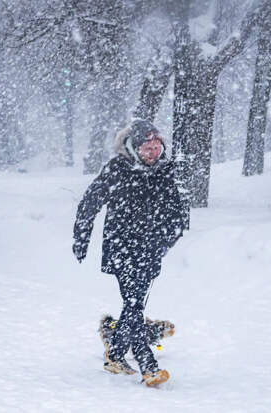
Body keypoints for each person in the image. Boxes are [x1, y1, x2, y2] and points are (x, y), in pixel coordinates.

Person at [72, 119, 187, 387]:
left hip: (150, 250)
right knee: (134, 303)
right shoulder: (116, 170)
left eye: (157, 147)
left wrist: (164, 241)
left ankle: (114, 354)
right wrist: (81, 239)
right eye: (147, 148)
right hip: (120, 246)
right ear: (135, 148)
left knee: (133, 304)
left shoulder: (165, 172)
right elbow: (89, 204)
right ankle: (148, 366)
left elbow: (179, 215)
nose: (153, 153)